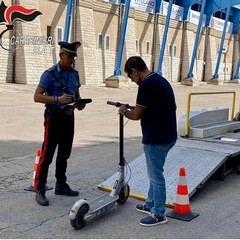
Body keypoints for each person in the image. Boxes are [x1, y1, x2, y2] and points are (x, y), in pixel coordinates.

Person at [118, 56, 177, 226]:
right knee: (155, 173)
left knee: (156, 176)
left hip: (155, 139)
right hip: (168, 136)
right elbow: (168, 107)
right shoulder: (160, 79)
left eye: (130, 76)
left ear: (135, 71)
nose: (132, 80)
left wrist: (124, 111)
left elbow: (136, 115)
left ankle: (159, 214)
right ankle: (150, 203)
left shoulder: (146, 84)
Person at [33, 41, 86, 206]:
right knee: (47, 154)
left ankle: (61, 184)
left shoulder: (75, 74)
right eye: (70, 56)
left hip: (68, 117)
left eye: (74, 57)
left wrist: (80, 103)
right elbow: (37, 96)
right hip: (54, 117)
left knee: (64, 153)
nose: (72, 60)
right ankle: (40, 189)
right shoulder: (49, 74)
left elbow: (77, 94)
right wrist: (57, 99)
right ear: (61, 54)